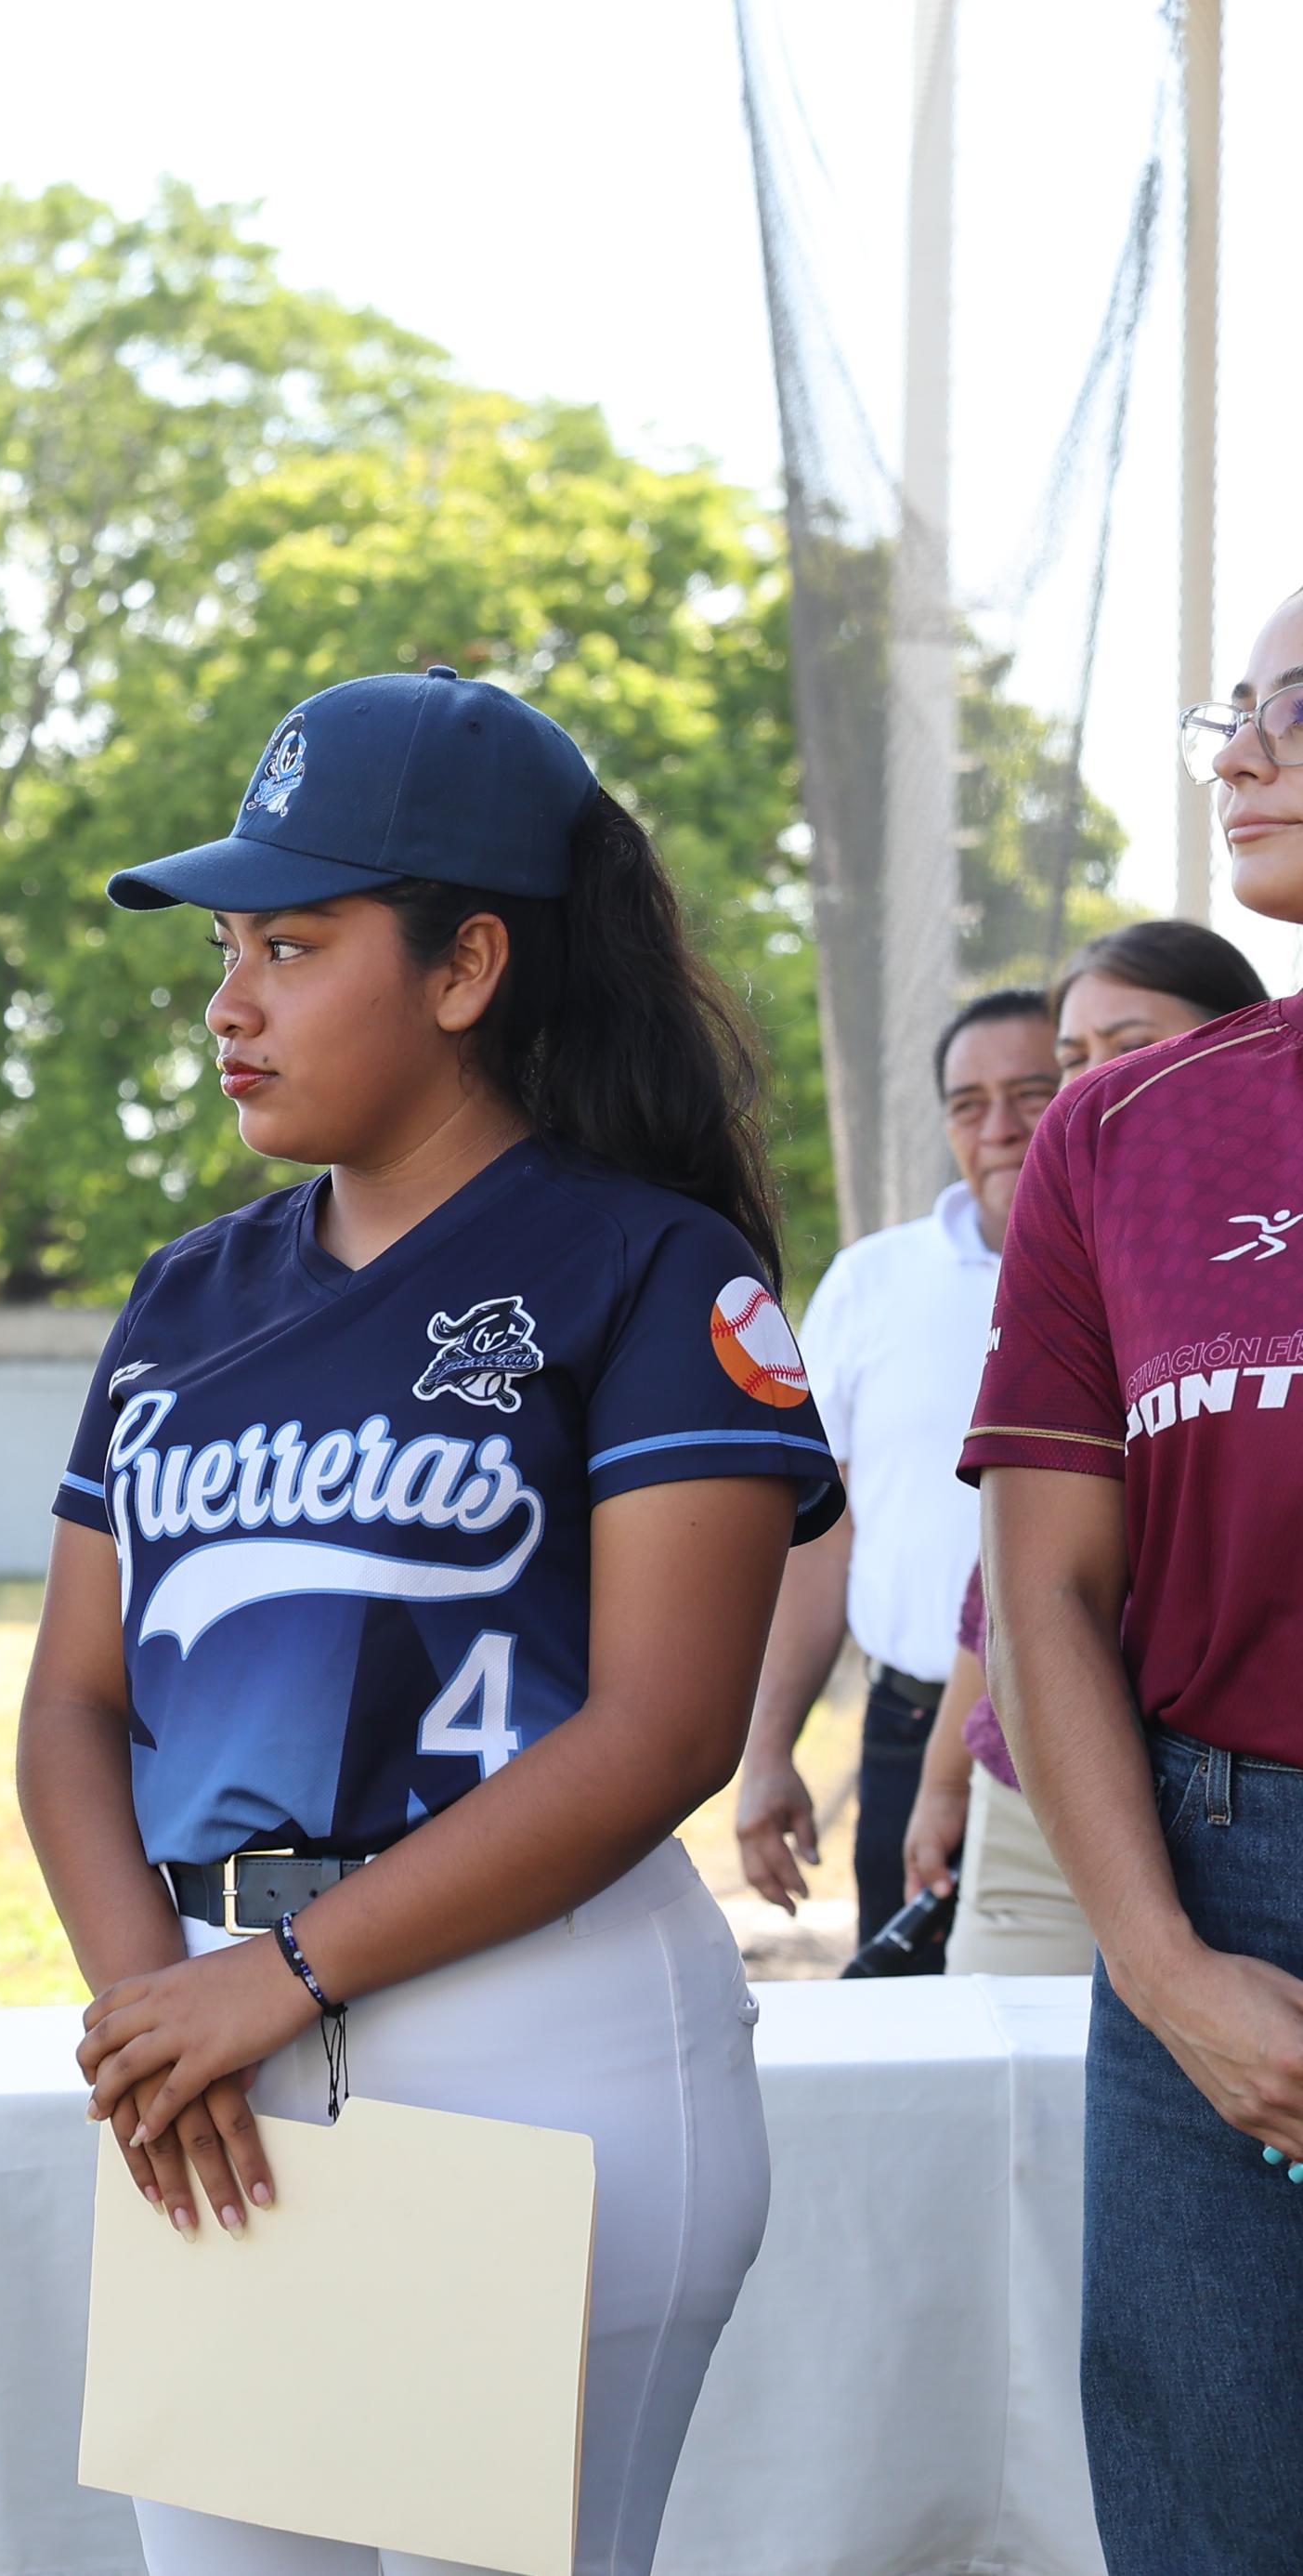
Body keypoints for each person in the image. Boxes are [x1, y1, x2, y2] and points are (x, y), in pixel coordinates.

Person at [20, 669, 841, 2575]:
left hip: (531, 2031)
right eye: (226, 948)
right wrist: (156, 2007)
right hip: (214, 2042)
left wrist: (284, 1978)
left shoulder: (653, 1266)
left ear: (468, 964)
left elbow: (661, 1727)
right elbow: (70, 1704)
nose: (228, 1003)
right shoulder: (183, 1298)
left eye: (292, 944)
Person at [965, 593, 1303, 2570]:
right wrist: (1165, 1969)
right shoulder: (1117, 1131)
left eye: (1296, 710)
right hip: (1212, 1887)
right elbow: (1046, 1591)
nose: (1240, 755)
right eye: (1231, 713)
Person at [903, 919, 1268, 1973]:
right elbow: (1017, 1577)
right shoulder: (1076, 1244)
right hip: (1038, 1795)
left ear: (1249, 1041)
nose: (1094, 1083)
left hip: (1246, 1798)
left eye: (1131, 1046)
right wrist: (945, 1776)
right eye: (1072, 1056)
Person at [732, 989, 1056, 1958]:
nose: (998, 1128)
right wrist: (767, 1750)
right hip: (907, 1728)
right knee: (909, 2022)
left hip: (1095, 1741)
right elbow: (823, 1537)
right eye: (967, 1104)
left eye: (1032, 1092)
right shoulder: (870, 1282)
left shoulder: (1142, 1275)